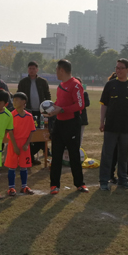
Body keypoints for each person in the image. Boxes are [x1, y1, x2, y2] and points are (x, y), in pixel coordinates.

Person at [99, 58, 128, 191]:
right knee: (107, 154)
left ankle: (123, 179)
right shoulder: (110, 85)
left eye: (121, 68)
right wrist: (102, 121)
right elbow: (104, 105)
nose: (118, 70)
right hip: (111, 126)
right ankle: (104, 181)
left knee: (124, 155)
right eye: (116, 68)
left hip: (126, 127)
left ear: (127, 70)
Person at [46, 59, 87, 194]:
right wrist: (51, 109)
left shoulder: (75, 85)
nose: (55, 72)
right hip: (59, 124)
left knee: (74, 154)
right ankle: (54, 185)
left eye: (56, 69)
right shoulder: (61, 86)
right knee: (56, 155)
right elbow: (59, 102)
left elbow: (80, 105)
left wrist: (61, 109)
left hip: (72, 124)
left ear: (62, 70)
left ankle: (80, 184)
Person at [16, 61, 51, 165]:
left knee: (40, 133)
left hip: (41, 112)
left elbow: (47, 95)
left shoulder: (43, 82)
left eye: (33, 68)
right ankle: (30, 156)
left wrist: (48, 107)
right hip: (27, 112)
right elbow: (19, 96)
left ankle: (40, 151)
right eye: (30, 68)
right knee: (29, 134)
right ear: (28, 70)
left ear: (37, 70)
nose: (32, 70)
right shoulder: (23, 82)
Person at [4, 92, 36, 196]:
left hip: (24, 145)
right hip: (14, 143)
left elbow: (31, 131)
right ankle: (11, 188)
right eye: (13, 100)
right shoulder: (11, 115)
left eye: (17, 100)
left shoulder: (29, 116)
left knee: (24, 166)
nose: (14, 102)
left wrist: (27, 144)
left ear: (23, 102)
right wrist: (15, 145)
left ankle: (24, 186)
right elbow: (10, 131)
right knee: (12, 166)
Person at [78, 78, 90, 145]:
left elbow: (87, 103)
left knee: (80, 135)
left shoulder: (84, 93)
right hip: (73, 117)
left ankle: (79, 148)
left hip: (82, 116)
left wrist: (79, 105)